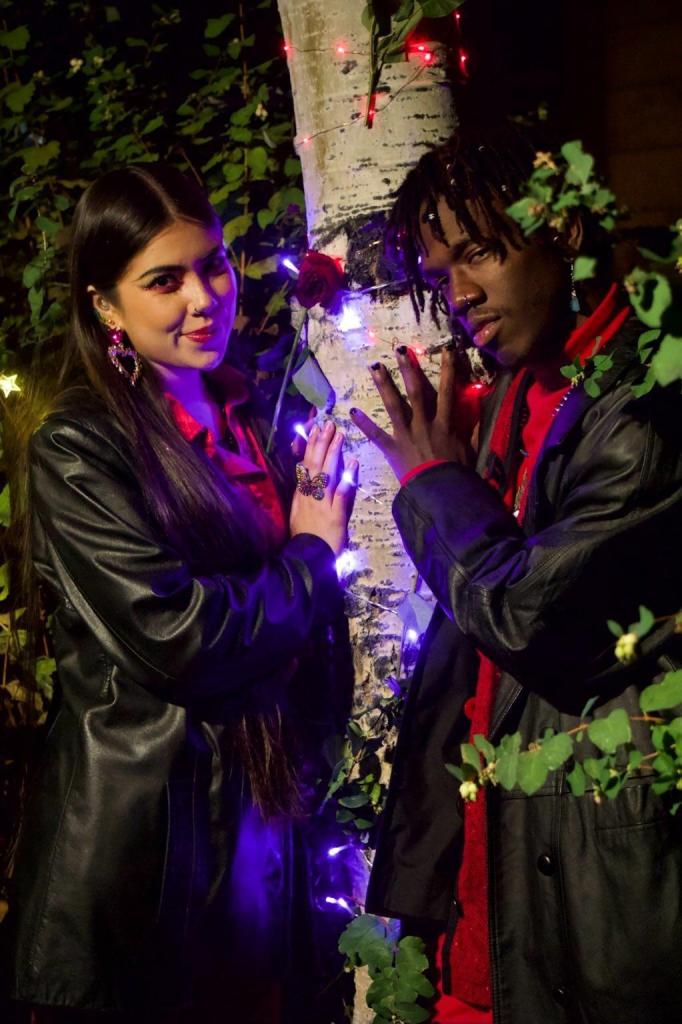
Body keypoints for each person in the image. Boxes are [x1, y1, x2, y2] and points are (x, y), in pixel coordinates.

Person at [4, 164, 356, 1023]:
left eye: (214, 265)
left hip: (256, 854)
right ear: (105, 306)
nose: (205, 299)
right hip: (146, 871)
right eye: (165, 281)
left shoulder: (248, 414)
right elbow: (179, 636)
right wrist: (312, 555)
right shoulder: (79, 448)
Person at [350, 123, 682, 1024]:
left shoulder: (648, 410)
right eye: (439, 274)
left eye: (480, 254)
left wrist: (432, 482)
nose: (458, 294)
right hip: (498, 886)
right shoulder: (517, 392)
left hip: (602, 896)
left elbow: (527, 615)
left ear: (562, 230)